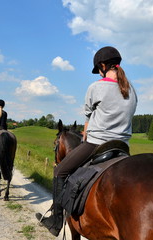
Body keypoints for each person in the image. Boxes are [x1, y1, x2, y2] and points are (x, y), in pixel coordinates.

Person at [35, 46, 138, 236]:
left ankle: (56, 221)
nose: (98, 73)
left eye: (98, 70)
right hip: (123, 148)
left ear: (102, 66)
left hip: (96, 144)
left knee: (60, 171)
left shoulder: (96, 87)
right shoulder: (131, 90)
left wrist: (85, 138)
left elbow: (88, 121)